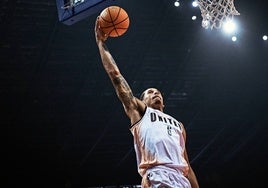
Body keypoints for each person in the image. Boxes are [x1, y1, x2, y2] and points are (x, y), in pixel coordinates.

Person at [94, 17, 199, 188]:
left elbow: (186, 165)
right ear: (141, 101)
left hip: (181, 180)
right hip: (157, 176)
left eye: (158, 92)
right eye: (150, 92)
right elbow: (116, 76)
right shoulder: (139, 113)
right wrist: (100, 42)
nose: (156, 93)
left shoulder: (179, 125)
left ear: (163, 103)